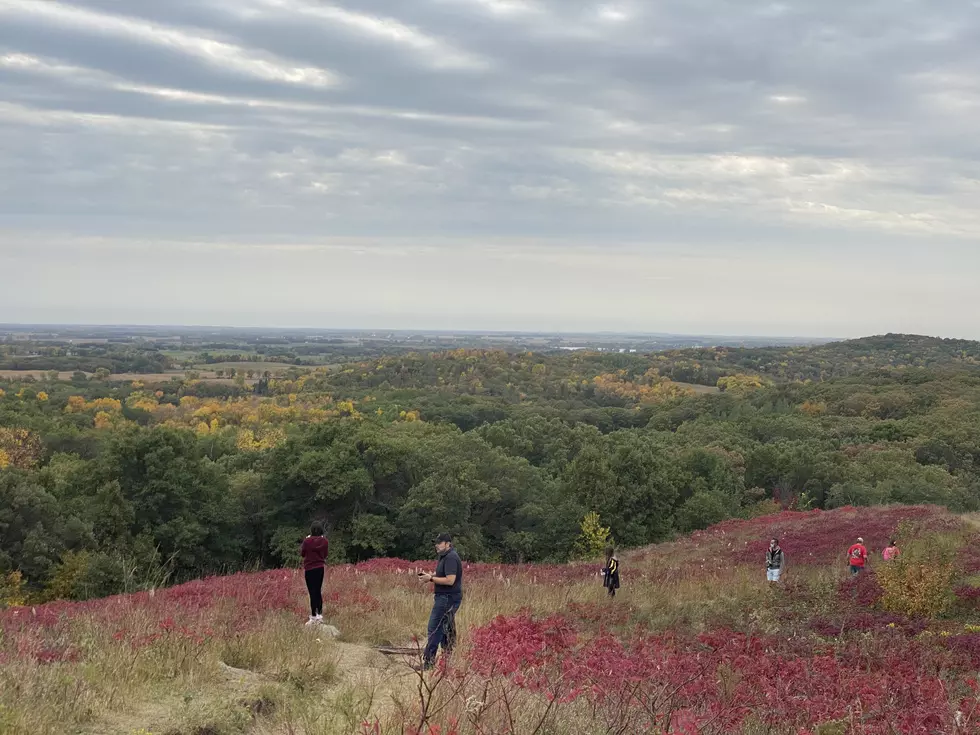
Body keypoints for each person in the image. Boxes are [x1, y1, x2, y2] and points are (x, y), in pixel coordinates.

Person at [417, 532, 463, 670]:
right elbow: (444, 574)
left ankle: (428, 663)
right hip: (446, 597)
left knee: (434, 628)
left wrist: (430, 579)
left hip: (447, 598)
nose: (436, 545)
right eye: (436, 543)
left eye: (439, 543)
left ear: (448, 544)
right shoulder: (445, 557)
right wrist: (430, 575)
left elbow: (450, 580)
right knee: (445, 629)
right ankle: (446, 662)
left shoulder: (450, 558)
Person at [301, 522, 329, 625]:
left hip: (309, 568)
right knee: (318, 591)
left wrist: (307, 539)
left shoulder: (307, 541)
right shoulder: (325, 541)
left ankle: (313, 616)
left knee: (312, 592)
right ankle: (320, 615)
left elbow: (303, 554)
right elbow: (325, 555)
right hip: (320, 568)